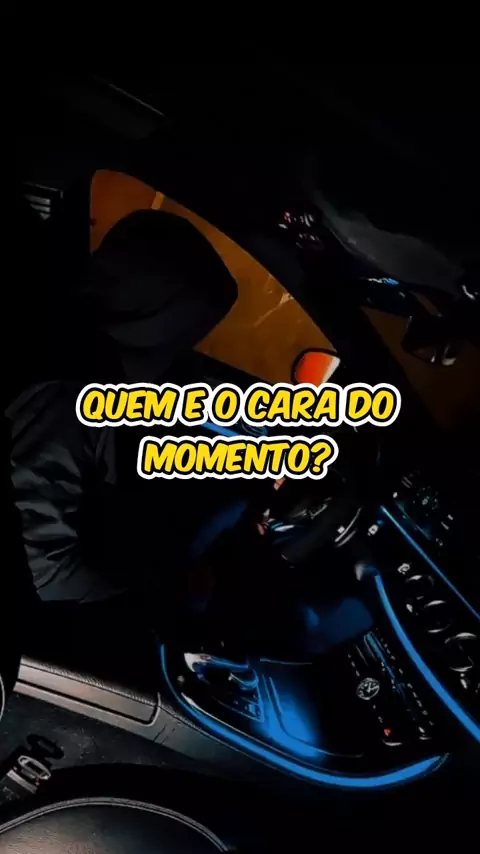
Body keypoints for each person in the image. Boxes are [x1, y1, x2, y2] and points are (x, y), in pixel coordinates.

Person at [8, 199, 238, 617]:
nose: (185, 346)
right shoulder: (67, 397)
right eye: (187, 330)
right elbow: (45, 569)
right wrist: (163, 583)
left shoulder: (87, 337)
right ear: (159, 318)